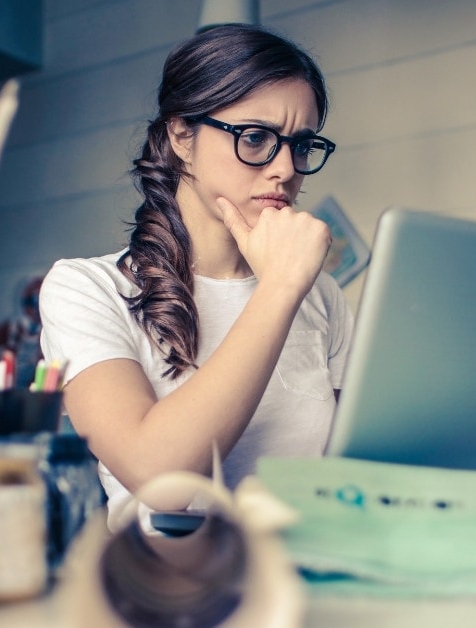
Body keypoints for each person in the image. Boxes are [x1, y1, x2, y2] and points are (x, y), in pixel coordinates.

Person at [38, 24, 352, 527]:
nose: (285, 169)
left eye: (301, 144)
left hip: (306, 586)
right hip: (165, 591)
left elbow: (350, 478)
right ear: (181, 136)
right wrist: (278, 289)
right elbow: (160, 479)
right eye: (254, 138)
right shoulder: (87, 289)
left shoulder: (323, 298)